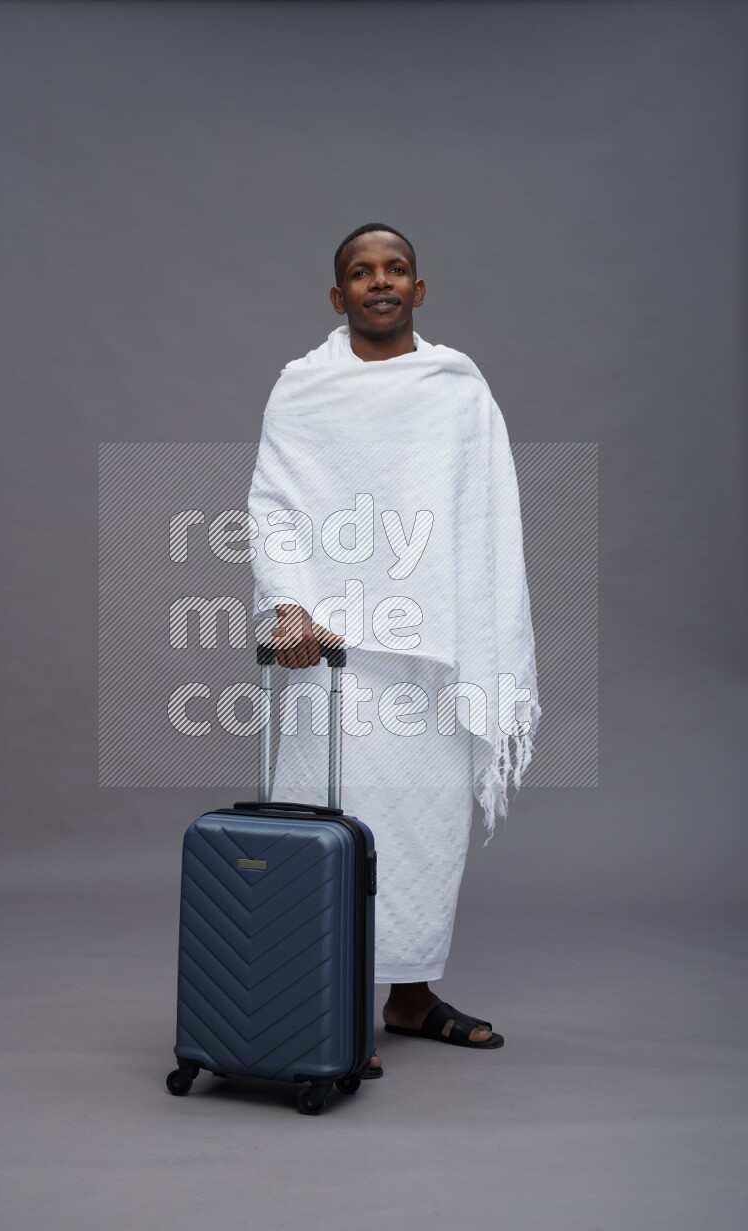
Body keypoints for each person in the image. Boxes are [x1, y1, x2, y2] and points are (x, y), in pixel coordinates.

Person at [247, 223, 541, 1076]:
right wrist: (289, 607)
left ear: (419, 288)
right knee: (326, 814)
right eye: (361, 272)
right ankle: (325, 997)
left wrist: (472, 631)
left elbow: (487, 518)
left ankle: (407, 997)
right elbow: (274, 504)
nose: (381, 281)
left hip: (432, 646)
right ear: (339, 298)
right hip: (331, 647)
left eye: (397, 269)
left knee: (425, 820)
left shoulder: (457, 389)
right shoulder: (302, 389)